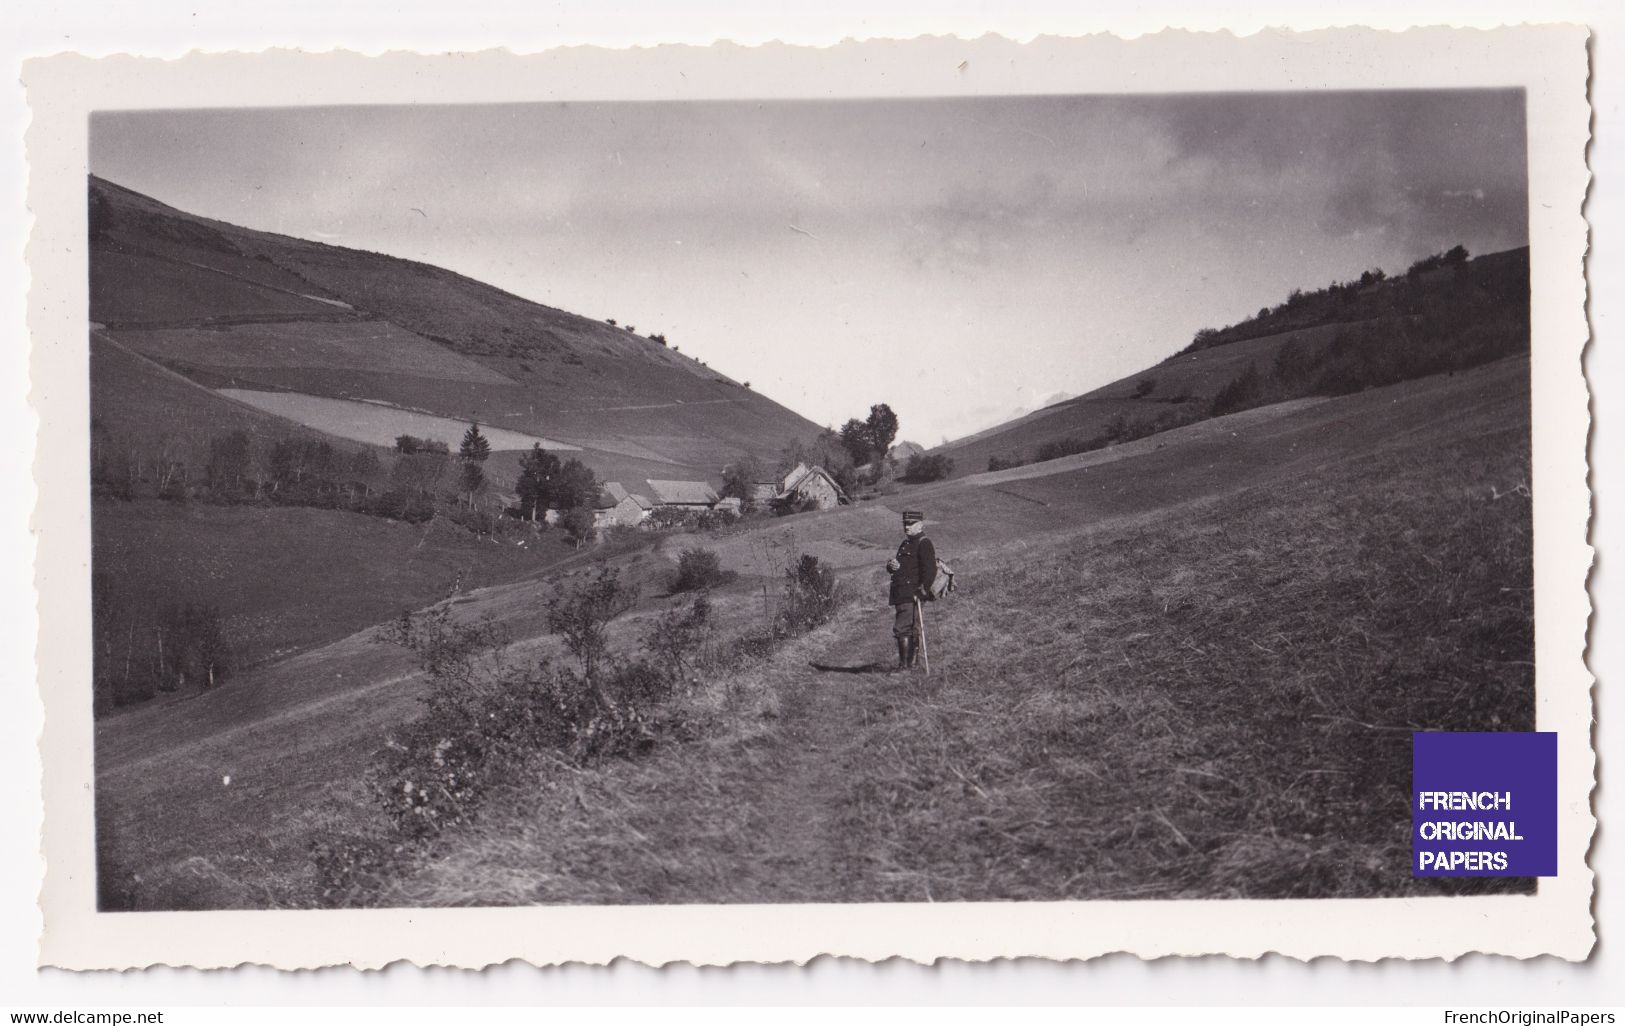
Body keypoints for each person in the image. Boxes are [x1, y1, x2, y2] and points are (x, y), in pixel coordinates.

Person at [885, 510, 937, 671]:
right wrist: (891, 566)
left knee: (902, 628)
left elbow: (930, 570)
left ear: (920, 525)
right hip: (901, 593)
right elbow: (903, 567)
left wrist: (922, 590)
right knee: (910, 628)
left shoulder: (924, 543)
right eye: (904, 524)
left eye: (910, 524)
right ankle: (912, 665)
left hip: (912, 594)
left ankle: (904, 667)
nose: (906, 527)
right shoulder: (905, 544)